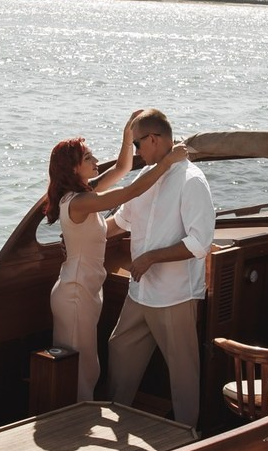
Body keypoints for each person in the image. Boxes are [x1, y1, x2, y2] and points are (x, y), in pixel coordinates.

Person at [45, 114, 190, 402]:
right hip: (75, 293)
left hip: (83, 288)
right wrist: (168, 162)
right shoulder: (81, 202)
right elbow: (132, 190)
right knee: (80, 370)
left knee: (86, 365)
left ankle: (78, 422)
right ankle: (73, 428)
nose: (95, 159)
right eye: (88, 157)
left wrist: (127, 135)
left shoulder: (81, 193)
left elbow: (124, 168)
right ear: (74, 168)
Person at [106, 109, 214, 431]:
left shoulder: (192, 181)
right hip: (140, 292)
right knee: (119, 347)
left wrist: (152, 257)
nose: (137, 152)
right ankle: (114, 420)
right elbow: (120, 221)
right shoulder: (146, 178)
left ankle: (186, 439)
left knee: (182, 374)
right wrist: (81, 231)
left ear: (153, 139)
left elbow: (199, 243)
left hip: (174, 296)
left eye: (138, 144)